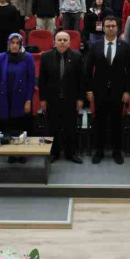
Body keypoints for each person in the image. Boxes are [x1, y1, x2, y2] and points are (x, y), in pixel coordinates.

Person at [84, 17, 130, 164]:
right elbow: (87, 69)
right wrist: (89, 90)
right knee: (100, 122)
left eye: (113, 26)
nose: (110, 28)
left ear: (117, 28)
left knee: (117, 122)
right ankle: (99, 151)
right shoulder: (95, 45)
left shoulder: (124, 46)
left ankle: (117, 151)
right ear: (103, 28)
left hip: (118, 91)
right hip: (99, 91)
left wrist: (127, 91)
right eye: (108, 26)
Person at [38, 31, 84, 164]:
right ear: (54, 42)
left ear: (69, 42)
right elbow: (42, 80)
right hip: (52, 99)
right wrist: (43, 99)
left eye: (65, 40)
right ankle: (54, 153)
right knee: (52, 127)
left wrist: (80, 99)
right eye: (59, 40)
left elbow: (81, 79)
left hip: (70, 99)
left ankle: (71, 153)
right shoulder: (46, 56)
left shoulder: (77, 56)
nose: (62, 42)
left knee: (70, 127)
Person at [0, 33, 35, 164]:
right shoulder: (2, 57)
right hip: (6, 96)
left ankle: (22, 153)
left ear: (21, 44)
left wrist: (28, 100)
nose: (15, 45)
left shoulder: (28, 58)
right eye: (12, 43)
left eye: (17, 43)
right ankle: (10, 153)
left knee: (21, 126)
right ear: (8, 44)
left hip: (22, 97)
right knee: (8, 126)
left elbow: (31, 81)